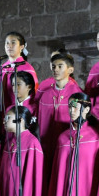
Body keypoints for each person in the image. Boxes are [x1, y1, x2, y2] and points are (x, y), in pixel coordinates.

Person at [35, 52, 83, 180]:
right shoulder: (45, 95)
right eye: (54, 66)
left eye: (60, 66)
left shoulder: (77, 94)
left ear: (70, 70)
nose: (56, 69)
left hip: (67, 145)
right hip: (46, 144)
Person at [0, 31, 37, 139]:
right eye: (7, 43)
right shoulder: (0, 69)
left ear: (22, 47)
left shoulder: (27, 68)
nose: (9, 46)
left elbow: (31, 97)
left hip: (17, 117)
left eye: (13, 43)